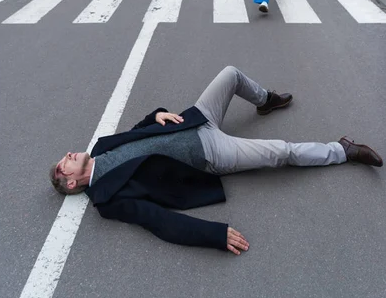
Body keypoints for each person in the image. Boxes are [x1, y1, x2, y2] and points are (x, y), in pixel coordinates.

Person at [50, 66, 382, 256]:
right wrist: (214, 235)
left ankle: (266, 100)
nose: (67, 155)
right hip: (211, 153)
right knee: (281, 152)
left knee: (230, 74)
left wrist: (157, 114)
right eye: (63, 164)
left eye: (64, 157)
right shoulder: (108, 199)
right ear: (72, 183)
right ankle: (343, 150)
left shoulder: (100, 146)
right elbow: (157, 221)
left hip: (196, 119)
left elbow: (136, 132)